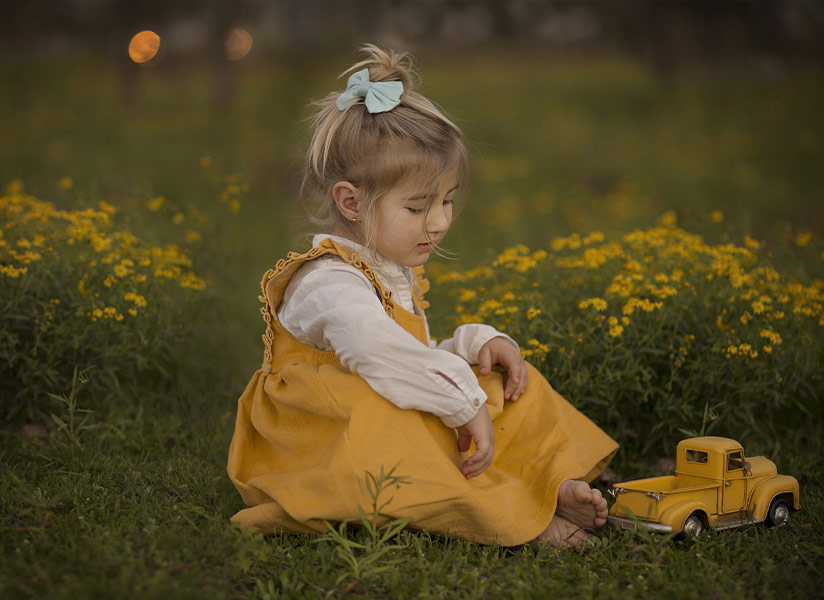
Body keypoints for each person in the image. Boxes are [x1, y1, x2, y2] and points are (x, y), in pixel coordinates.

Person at [227, 44, 618, 548]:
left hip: (380, 405)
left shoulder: (388, 270)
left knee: (504, 384)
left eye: (446, 201)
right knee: (398, 418)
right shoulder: (328, 283)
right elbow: (378, 354)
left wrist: (469, 347)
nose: (438, 223)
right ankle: (520, 519)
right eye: (416, 208)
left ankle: (550, 482)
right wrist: (461, 401)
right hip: (322, 446)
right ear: (351, 202)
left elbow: (411, 358)